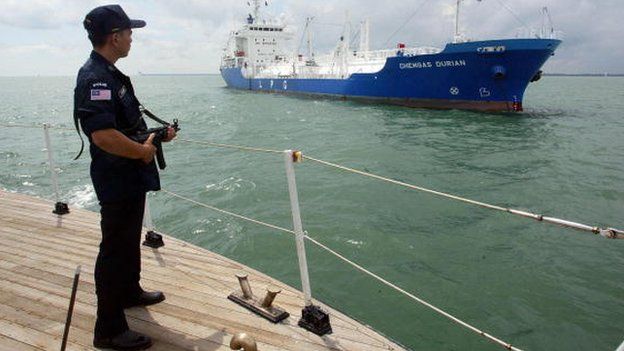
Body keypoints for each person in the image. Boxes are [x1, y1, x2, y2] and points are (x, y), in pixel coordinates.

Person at [74, 4, 176, 350]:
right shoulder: (96, 78)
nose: (132, 38)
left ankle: (130, 291)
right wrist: (144, 152)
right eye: (129, 32)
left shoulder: (109, 74)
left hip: (127, 175)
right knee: (114, 249)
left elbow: (123, 127)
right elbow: (102, 135)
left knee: (128, 240)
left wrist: (155, 136)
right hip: (117, 177)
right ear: (114, 37)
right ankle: (109, 329)